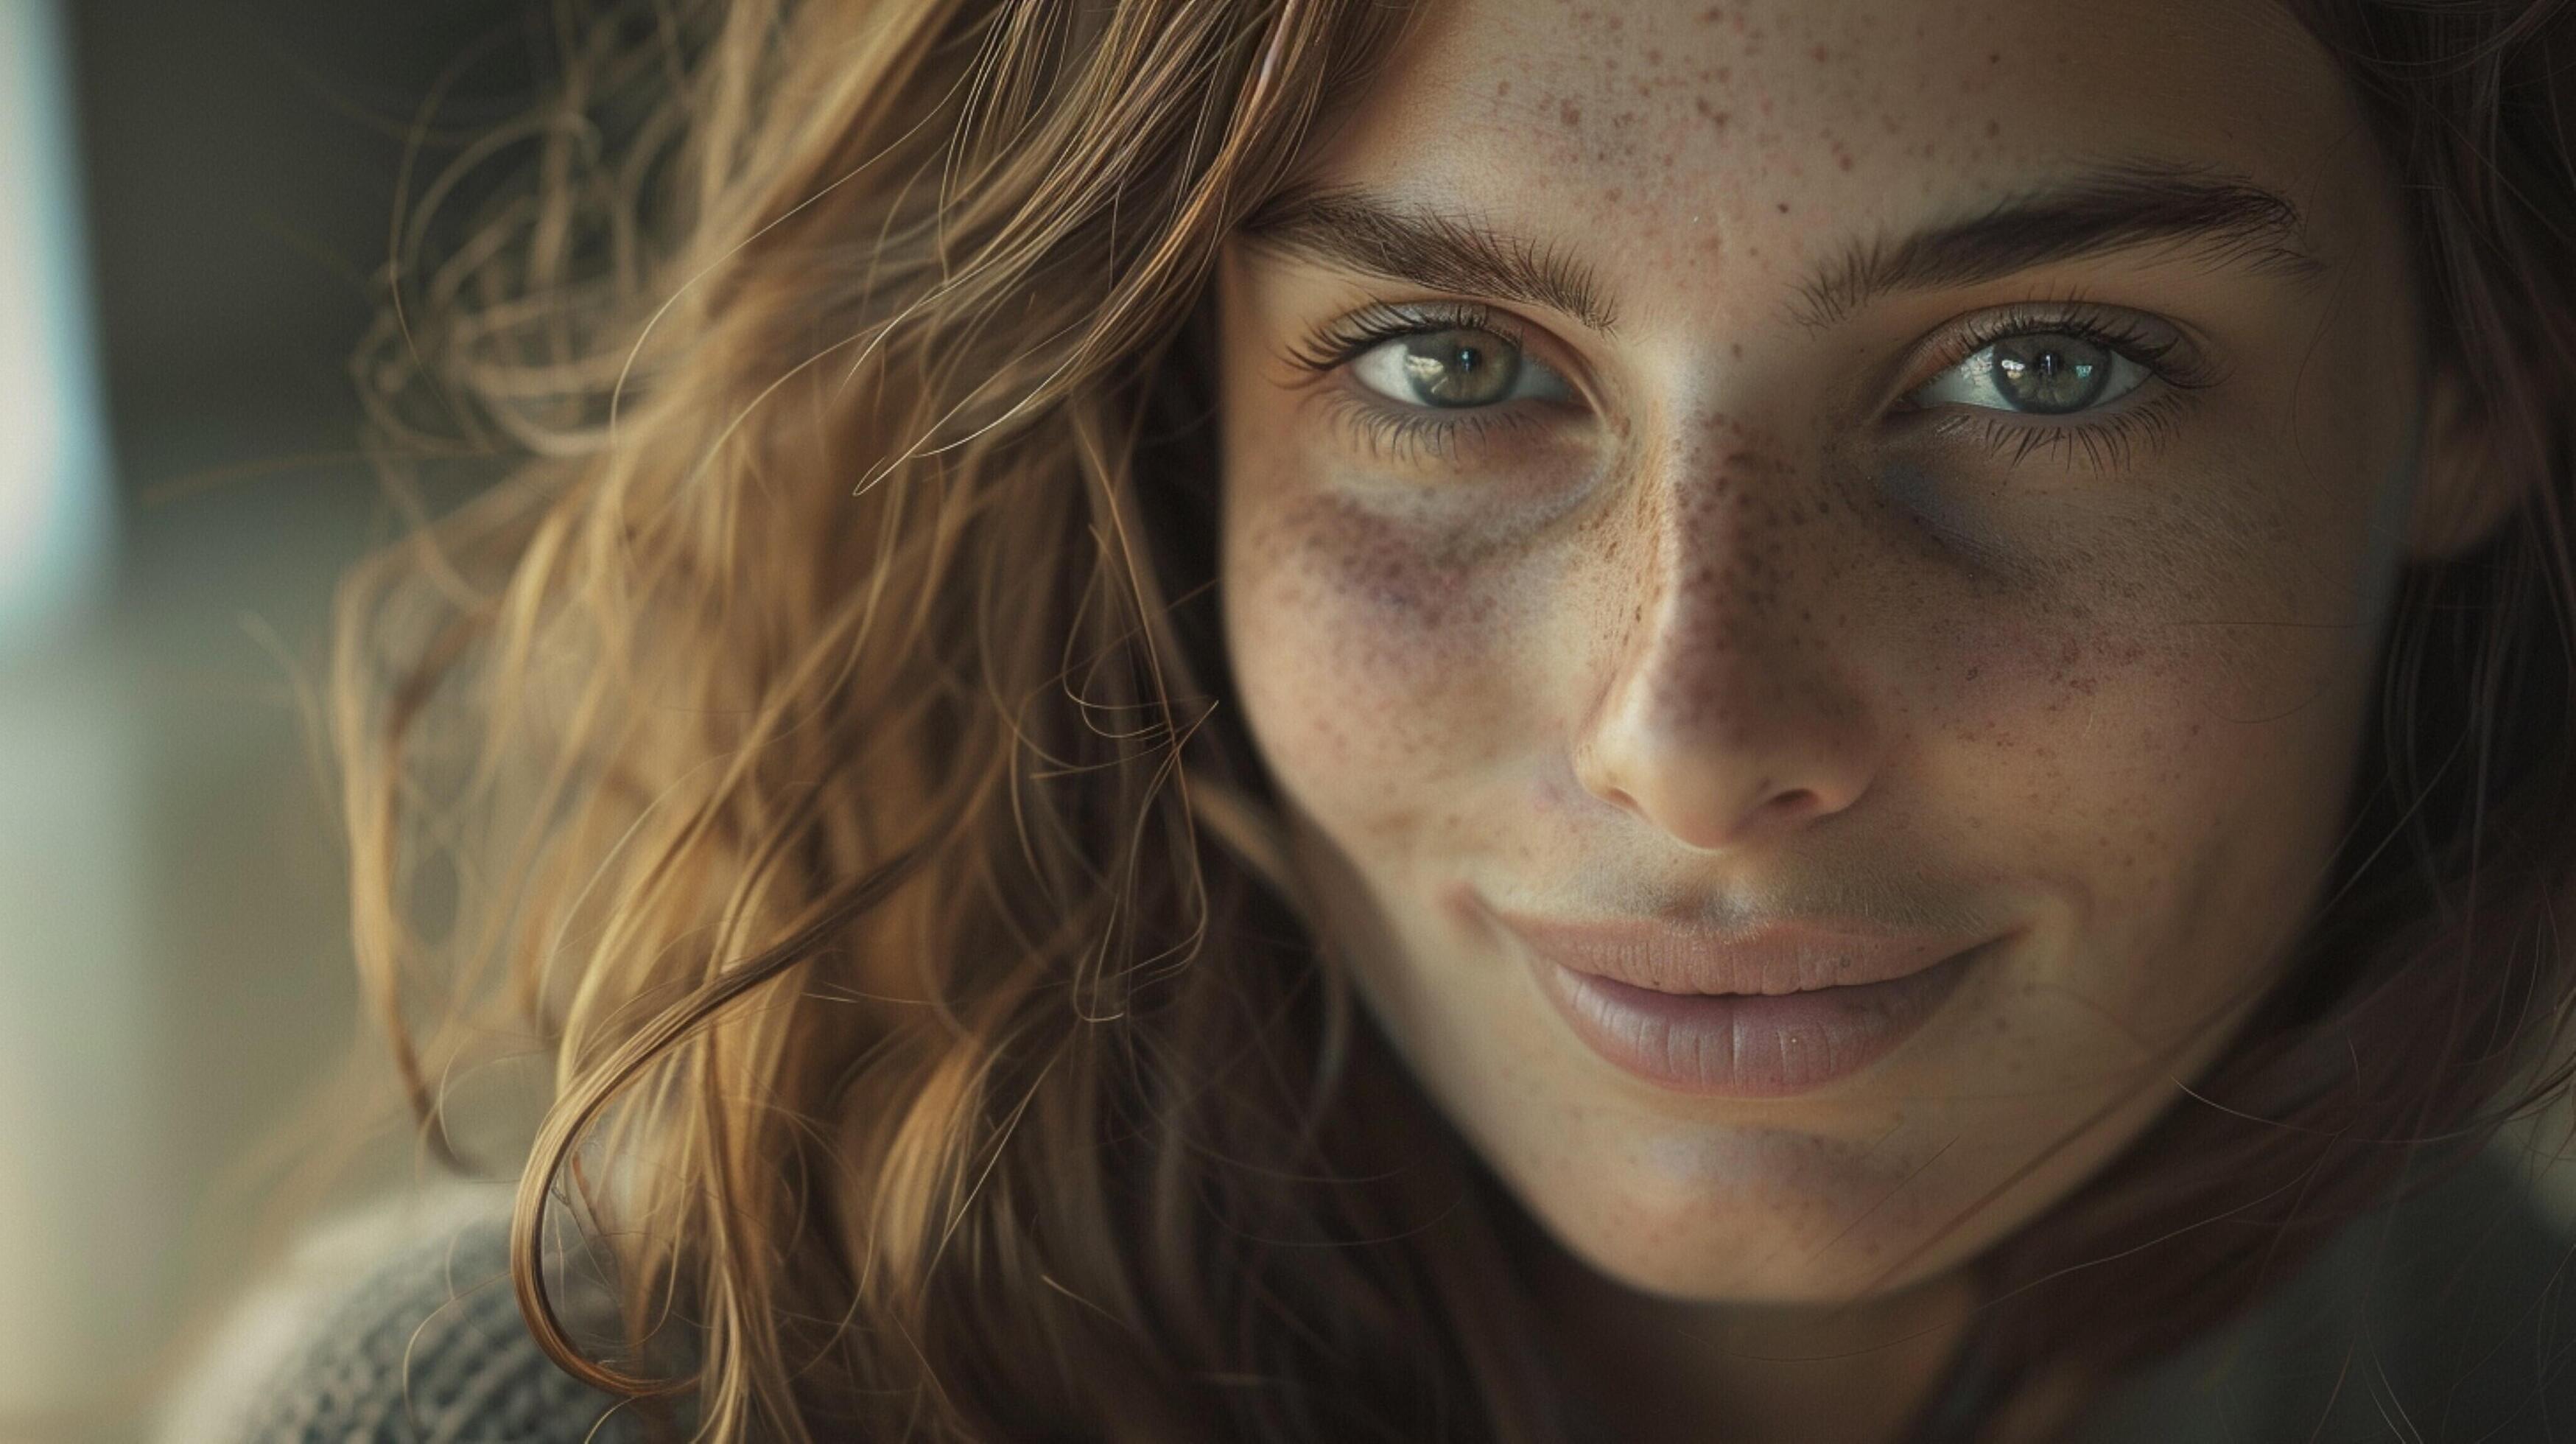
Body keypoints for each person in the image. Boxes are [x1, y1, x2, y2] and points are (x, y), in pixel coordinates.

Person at [173, 0, 2576, 1440]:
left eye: (2043, 370)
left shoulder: (2453, 1347)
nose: (1691, 731)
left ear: (2468, 375)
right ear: (1164, 417)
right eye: (1451, 368)